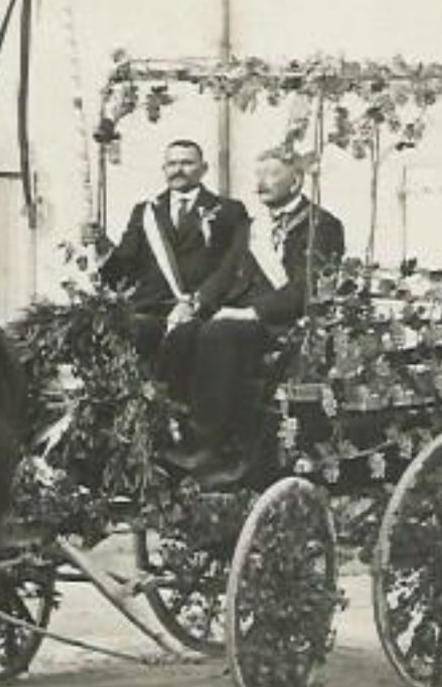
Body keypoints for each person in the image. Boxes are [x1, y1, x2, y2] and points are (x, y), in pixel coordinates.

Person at [176, 147, 345, 488]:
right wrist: (194, 304)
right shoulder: (253, 227)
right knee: (185, 331)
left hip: (286, 322)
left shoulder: (322, 225)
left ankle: (212, 446)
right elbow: (224, 276)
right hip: (246, 317)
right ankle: (181, 433)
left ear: (296, 180)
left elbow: (305, 290)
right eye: (258, 175)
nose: (260, 184)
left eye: (271, 175)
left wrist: (250, 312)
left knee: (219, 333)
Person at [83, 138, 251, 398]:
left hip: (202, 311)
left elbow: (231, 268)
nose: (178, 169)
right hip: (152, 309)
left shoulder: (228, 211)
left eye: (186, 163)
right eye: (171, 163)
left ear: (203, 169)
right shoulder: (146, 212)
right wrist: (102, 246)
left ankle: (174, 415)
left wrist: (196, 303)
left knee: (185, 341)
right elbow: (123, 270)